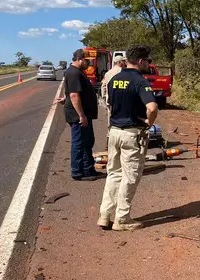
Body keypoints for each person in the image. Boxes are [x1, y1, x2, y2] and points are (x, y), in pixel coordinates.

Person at [98, 45, 159, 231]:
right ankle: (122, 219)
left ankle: (105, 215)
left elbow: (108, 103)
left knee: (114, 173)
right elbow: (152, 107)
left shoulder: (114, 78)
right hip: (131, 133)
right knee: (130, 176)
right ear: (140, 61)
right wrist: (149, 123)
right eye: (148, 60)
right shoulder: (140, 81)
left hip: (114, 131)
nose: (149, 64)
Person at [61, 49, 102, 181]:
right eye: (87, 61)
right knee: (79, 143)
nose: (89, 64)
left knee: (87, 141)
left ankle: (88, 169)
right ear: (80, 59)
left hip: (84, 114)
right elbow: (74, 95)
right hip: (78, 115)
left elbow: (71, 93)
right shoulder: (74, 73)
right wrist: (81, 115)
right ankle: (78, 171)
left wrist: (65, 98)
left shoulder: (77, 72)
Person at [101, 54, 127, 127]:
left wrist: (105, 97)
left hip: (110, 99)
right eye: (123, 61)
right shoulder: (124, 72)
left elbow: (103, 86)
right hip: (122, 99)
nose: (125, 62)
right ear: (119, 62)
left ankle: (110, 133)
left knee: (111, 116)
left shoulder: (108, 73)